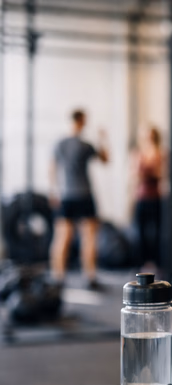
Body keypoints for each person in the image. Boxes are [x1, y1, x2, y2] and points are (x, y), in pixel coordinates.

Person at [49, 109, 109, 290]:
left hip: (67, 195)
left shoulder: (61, 143)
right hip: (82, 195)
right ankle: (88, 277)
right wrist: (102, 139)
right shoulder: (84, 144)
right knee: (85, 237)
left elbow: (52, 169)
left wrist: (54, 191)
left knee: (65, 237)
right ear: (82, 121)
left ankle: (58, 278)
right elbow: (105, 159)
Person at [129, 125, 165, 270]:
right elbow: (134, 176)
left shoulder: (160, 153)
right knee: (140, 234)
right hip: (141, 198)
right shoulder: (138, 154)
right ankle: (141, 265)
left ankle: (156, 264)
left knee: (157, 233)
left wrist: (147, 174)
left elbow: (161, 174)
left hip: (155, 198)